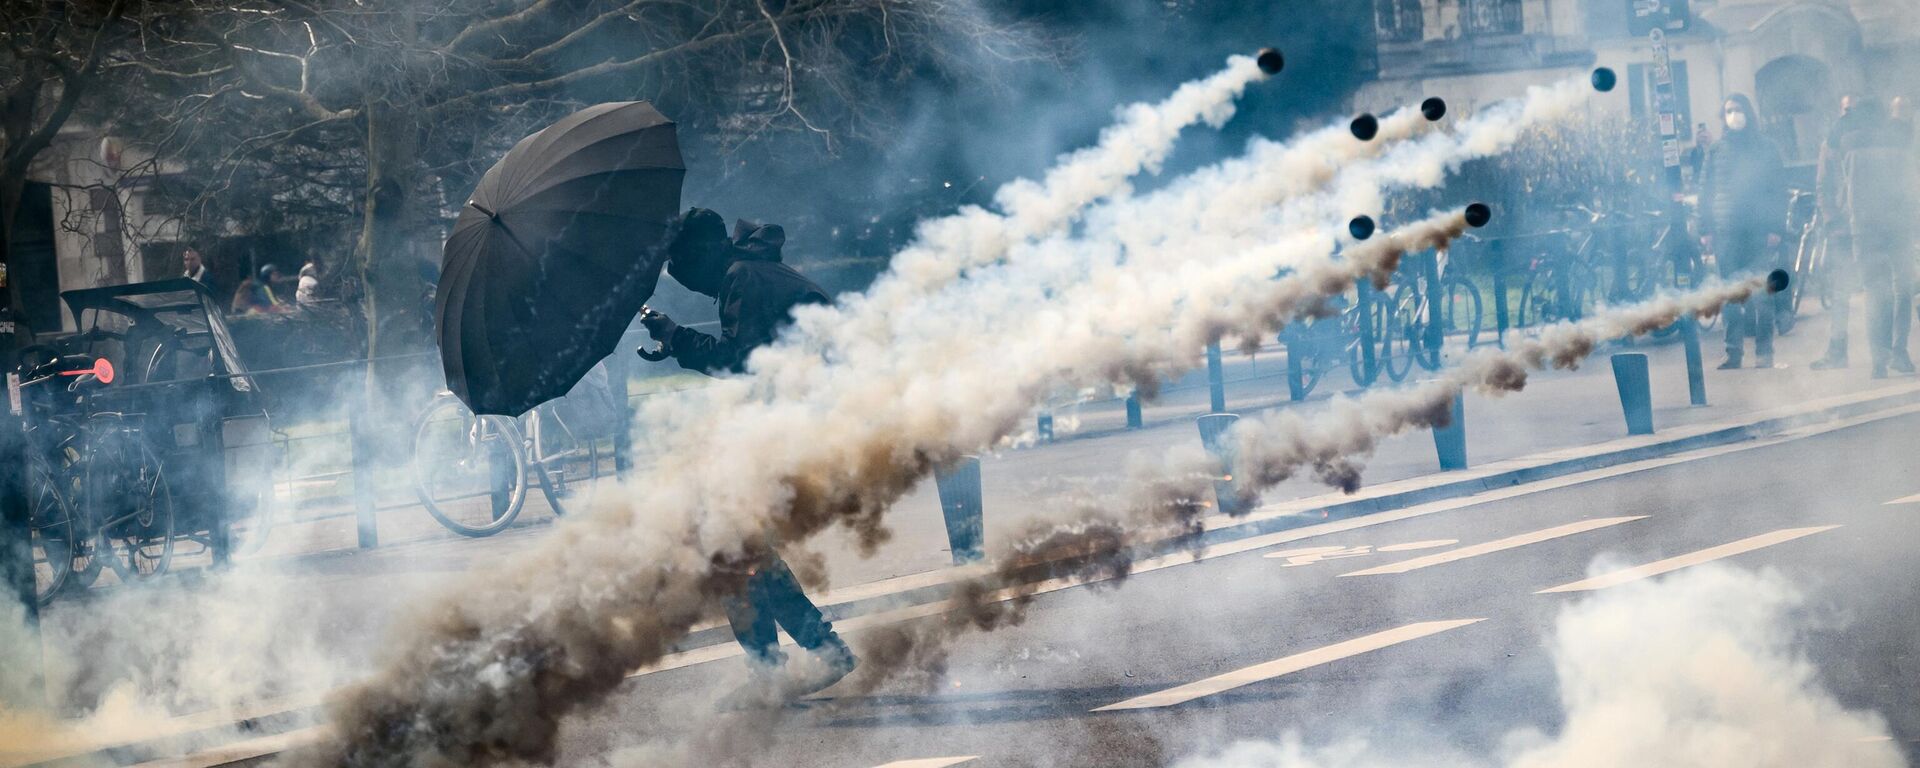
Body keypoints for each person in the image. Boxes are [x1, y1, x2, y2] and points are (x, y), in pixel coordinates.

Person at [638, 207, 855, 703]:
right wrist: (675, 345)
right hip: (807, 415)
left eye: (681, 258)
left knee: (730, 542)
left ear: (706, 250)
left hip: (814, 420)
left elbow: (741, 362)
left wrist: (675, 335)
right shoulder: (746, 271)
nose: (679, 271)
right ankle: (799, 658)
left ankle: (797, 660)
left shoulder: (744, 276)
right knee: (735, 544)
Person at [1826, 97, 1916, 377]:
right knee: (1903, 288)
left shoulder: (1850, 144)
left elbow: (1841, 180)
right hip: (1899, 226)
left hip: (1864, 229)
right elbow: (1912, 187)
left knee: (1875, 292)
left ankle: (1878, 361)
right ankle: (1899, 351)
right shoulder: (1899, 141)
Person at [1699, 94, 1785, 369]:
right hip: (1727, 233)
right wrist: (1706, 230)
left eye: (1738, 109)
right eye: (1728, 111)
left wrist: (1776, 228)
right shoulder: (1716, 151)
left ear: (1748, 112)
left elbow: (1777, 190)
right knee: (1730, 297)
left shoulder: (1766, 148)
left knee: (1761, 296)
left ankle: (1764, 352)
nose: (1734, 115)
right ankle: (1733, 352)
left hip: (1759, 232)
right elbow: (1706, 192)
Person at [1812, 95, 1873, 369]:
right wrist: (1832, 221)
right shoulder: (1831, 144)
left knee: (1877, 287)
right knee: (1841, 292)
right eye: (1845, 108)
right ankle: (1838, 351)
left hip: (1866, 224)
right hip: (1843, 227)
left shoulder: (1868, 141)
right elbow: (1823, 186)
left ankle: (1878, 352)